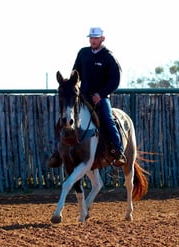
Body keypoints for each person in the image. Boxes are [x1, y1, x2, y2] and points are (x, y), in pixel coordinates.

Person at [47, 27, 126, 168]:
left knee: (108, 119)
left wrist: (101, 94)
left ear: (103, 38)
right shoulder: (83, 53)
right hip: (82, 96)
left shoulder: (108, 57)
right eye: (91, 38)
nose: (93, 40)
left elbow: (115, 80)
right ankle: (57, 153)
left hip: (100, 99)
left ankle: (118, 151)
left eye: (96, 38)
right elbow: (75, 73)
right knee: (62, 121)